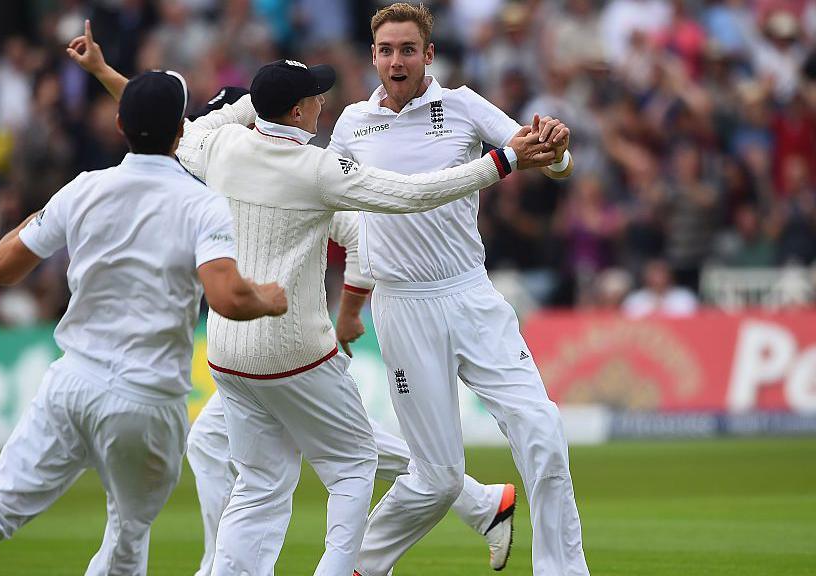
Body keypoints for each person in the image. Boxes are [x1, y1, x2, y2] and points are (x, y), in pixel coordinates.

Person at [68, 18, 559, 575]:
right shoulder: (320, 168)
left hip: (227, 352)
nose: (324, 103)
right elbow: (413, 195)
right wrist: (502, 161)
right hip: (296, 349)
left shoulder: (217, 146)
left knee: (256, 484)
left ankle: (475, 505)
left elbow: (159, 123)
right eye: (315, 97)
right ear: (299, 112)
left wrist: (104, 72)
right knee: (353, 463)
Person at [0, 70, 287, 576]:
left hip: (71, 385)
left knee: (0, 503)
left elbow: (1, 267)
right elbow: (226, 297)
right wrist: (268, 299)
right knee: (128, 533)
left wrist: (50, 214)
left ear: (119, 125)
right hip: (146, 399)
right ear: (182, 132)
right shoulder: (202, 204)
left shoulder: (85, 188)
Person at [327, 4, 590, 575]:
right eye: (386, 50)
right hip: (401, 307)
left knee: (543, 430)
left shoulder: (463, 105)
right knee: (438, 477)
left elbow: (548, 158)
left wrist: (559, 147)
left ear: (429, 54)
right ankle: (360, 566)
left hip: (470, 295)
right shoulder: (351, 123)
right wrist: (350, 299)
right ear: (373, 56)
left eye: (408, 49)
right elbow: (331, 209)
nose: (397, 61)